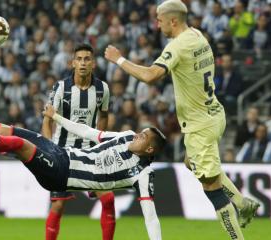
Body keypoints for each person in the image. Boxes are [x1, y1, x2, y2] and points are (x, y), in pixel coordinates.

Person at [104, 0, 259, 238]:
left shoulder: (177, 46)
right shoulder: (197, 35)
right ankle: (242, 203)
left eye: (159, 20)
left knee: (212, 188)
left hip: (200, 125)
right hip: (214, 113)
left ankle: (237, 235)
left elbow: (149, 75)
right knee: (191, 161)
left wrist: (119, 60)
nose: (157, 25)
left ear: (173, 21)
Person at [0, 104, 165, 240]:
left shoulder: (143, 174)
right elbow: (90, 132)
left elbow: (151, 215)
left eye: (142, 137)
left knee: (16, 143)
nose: (137, 136)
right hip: (62, 152)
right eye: (140, 132)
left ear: (150, 149)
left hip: (61, 174)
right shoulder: (126, 136)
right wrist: (57, 118)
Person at [41, 43, 114, 240]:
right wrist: (49, 150)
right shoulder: (61, 88)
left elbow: (104, 115)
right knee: (58, 204)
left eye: (87, 59)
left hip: (90, 154)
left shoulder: (102, 89)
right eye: (79, 59)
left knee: (108, 199)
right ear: (73, 63)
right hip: (63, 152)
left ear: (94, 64)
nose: (83, 63)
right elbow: (47, 120)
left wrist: (99, 139)